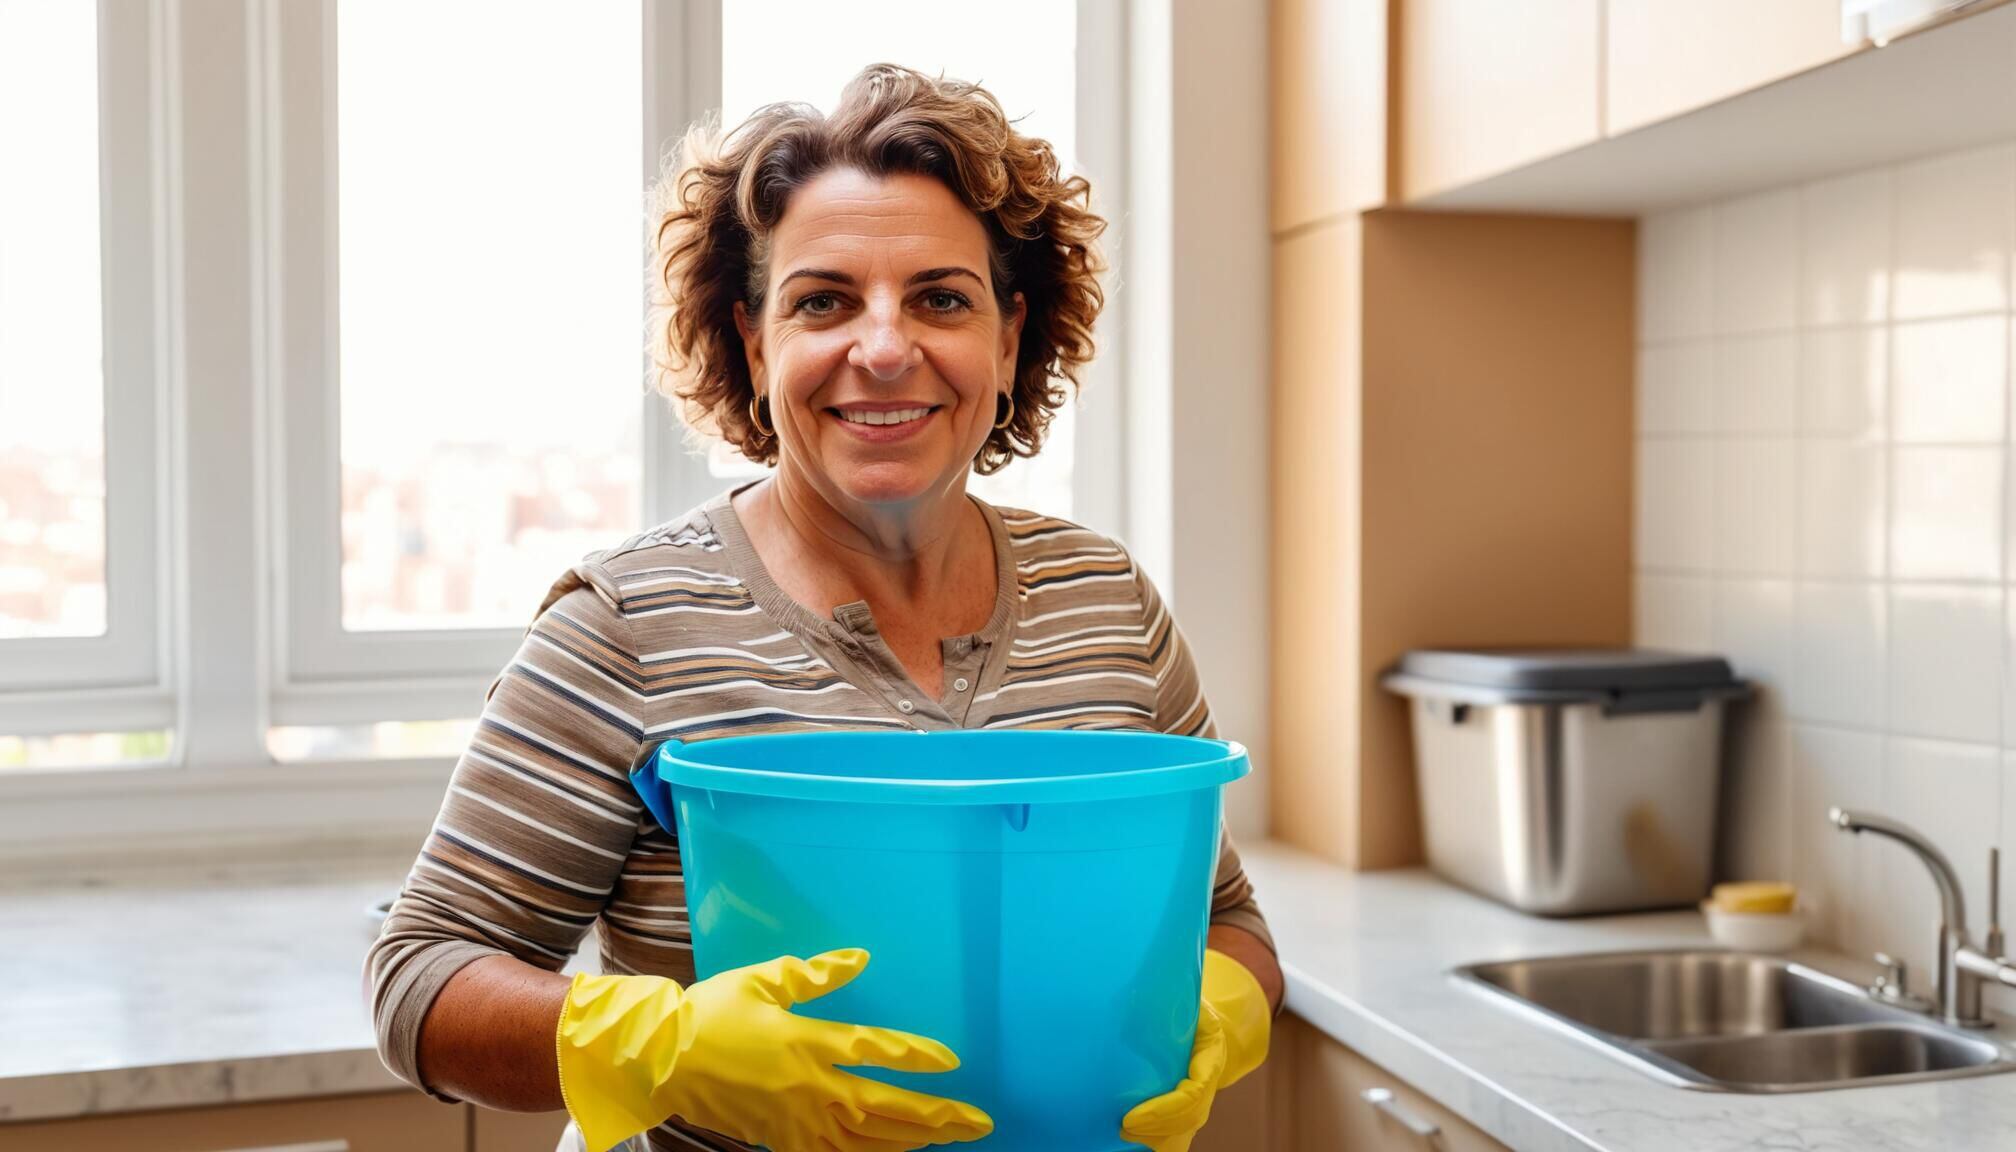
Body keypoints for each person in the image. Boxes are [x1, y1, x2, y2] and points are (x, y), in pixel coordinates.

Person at [366, 63, 1282, 1152]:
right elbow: (420, 979)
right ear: (755, 345)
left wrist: (1223, 1006)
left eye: (942, 298)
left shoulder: (1108, 601)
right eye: (824, 301)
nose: (885, 348)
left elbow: (1224, 921)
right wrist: (660, 1046)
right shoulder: (627, 625)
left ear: (1007, 336)